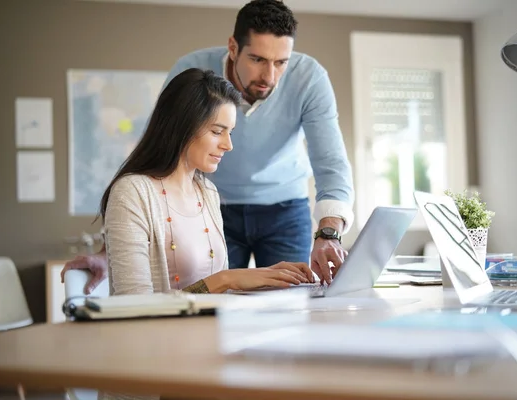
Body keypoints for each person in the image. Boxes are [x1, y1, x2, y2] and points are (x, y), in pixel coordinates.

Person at [61, 0, 354, 292]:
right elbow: (159, 146)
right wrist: (113, 250)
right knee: (218, 299)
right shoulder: (193, 72)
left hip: (282, 207)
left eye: (281, 63)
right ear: (233, 47)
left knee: (291, 302)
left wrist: (329, 234)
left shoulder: (309, 78)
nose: (270, 77)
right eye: (257, 59)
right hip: (212, 207)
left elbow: (331, 163)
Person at [98, 67, 312, 295]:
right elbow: (134, 304)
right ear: (182, 126)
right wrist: (227, 279)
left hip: (210, 329)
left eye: (230, 132)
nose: (228, 145)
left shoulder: (206, 191)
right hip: (160, 332)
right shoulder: (132, 192)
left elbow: (216, 294)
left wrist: (265, 279)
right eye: (217, 131)